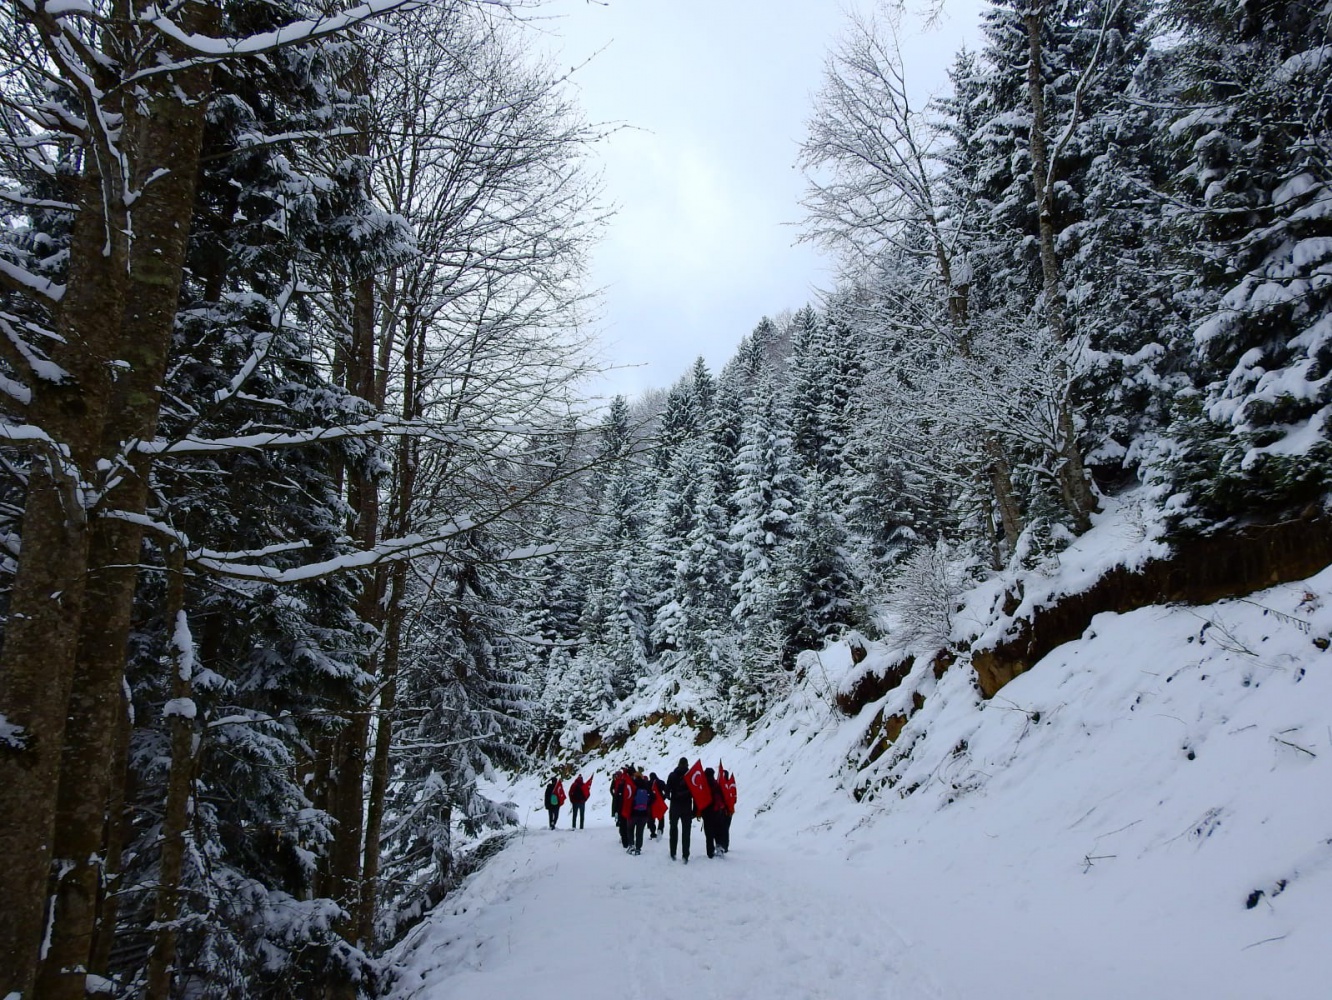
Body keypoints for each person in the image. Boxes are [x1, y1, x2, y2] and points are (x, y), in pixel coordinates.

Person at [664, 756, 693, 863]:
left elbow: (667, 792)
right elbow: (696, 793)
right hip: (687, 807)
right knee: (686, 832)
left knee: (673, 830)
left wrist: (671, 797)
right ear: (687, 765)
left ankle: (673, 852)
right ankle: (685, 855)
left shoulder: (672, 775)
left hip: (675, 806)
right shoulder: (690, 776)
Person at [701, 767, 727, 858]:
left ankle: (710, 852)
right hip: (717, 812)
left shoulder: (703, 786)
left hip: (707, 812)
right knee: (718, 831)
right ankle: (719, 849)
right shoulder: (716, 784)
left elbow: (699, 799)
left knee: (709, 834)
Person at [627, 772, 653, 855]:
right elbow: (653, 797)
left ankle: (631, 845)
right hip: (644, 813)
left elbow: (628, 797)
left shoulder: (632, 785)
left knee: (630, 829)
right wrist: (647, 804)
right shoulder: (646, 786)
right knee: (640, 831)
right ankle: (638, 848)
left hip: (633, 812)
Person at [648, 771, 667, 839]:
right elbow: (666, 790)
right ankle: (660, 830)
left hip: (651, 803)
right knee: (661, 818)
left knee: (651, 819)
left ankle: (653, 832)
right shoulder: (660, 782)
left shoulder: (648, 783)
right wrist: (663, 798)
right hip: (659, 803)